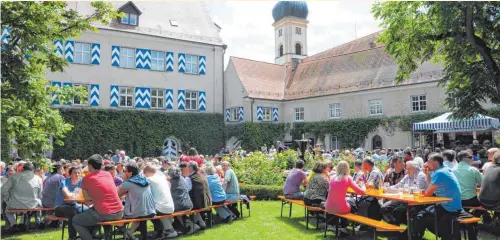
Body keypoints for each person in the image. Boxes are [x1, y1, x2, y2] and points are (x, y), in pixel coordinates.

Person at [411, 153, 470, 240]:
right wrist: (427, 174)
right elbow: (431, 188)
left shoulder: (439, 173)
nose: (426, 164)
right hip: (454, 205)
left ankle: (414, 237)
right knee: (422, 214)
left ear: (435, 163)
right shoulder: (445, 170)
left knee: (420, 216)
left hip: (448, 207)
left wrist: (420, 193)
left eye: (428, 161)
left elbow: (428, 193)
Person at [73, 154, 123, 240]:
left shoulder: (87, 178)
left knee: (76, 220)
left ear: (90, 166)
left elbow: (87, 201)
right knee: (94, 214)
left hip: (104, 213)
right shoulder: (108, 175)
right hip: (119, 211)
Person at [381, 161, 427, 225]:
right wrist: (388, 188)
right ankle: (394, 227)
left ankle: (409, 229)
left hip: (415, 201)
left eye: (408, 168)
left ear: (415, 168)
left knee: (397, 211)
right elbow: (399, 185)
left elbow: (417, 190)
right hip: (404, 199)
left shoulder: (421, 176)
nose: (406, 170)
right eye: (406, 168)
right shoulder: (408, 175)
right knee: (384, 207)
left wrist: (401, 190)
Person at [325, 161, 365, 234]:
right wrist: (364, 187)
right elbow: (360, 192)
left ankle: (335, 224)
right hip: (341, 208)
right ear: (347, 169)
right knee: (351, 203)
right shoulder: (348, 178)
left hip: (328, 206)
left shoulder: (332, 178)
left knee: (346, 201)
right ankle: (345, 226)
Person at [1, 162, 43, 233]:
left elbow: (3, 189)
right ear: (33, 170)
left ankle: (14, 224)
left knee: (7, 210)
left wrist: (7, 199)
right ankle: (22, 223)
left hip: (15, 204)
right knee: (30, 208)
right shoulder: (38, 179)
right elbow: (40, 195)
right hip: (32, 205)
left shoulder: (14, 176)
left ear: (23, 169)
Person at [118, 162, 156, 239]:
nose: (123, 172)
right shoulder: (145, 179)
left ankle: (129, 236)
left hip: (138, 213)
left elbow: (116, 195)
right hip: (151, 211)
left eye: (125, 171)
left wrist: (124, 180)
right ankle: (132, 235)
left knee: (118, 221)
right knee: (139, 217)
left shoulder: (127, 183)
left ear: (130, 173)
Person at [453, 151, 491, 223]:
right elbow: (483, 184)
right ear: (464, 159)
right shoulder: (473, 170)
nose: (473, 159)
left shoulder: (452, 170)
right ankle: (482, 219)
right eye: (471, 157)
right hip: (470, 200)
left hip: (457, 200)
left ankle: (472, 216)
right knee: (486, 203)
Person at [143, 164, 177, 238]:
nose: (144, 175)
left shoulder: (149, 179)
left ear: (147, 172)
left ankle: (170, 230)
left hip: (161, 207)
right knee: (158, 209)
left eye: (144, 173)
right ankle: (164, 230)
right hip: (171, 206)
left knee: (147, 212)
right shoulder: (162, 178)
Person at [54, 166, 87, 240]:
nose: (77, 174)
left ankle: (89, 235)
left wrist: (74, 195)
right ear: (70, 174)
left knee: (91, 210)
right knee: (72, 211)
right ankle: (72, 237)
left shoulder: (82, 182)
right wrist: (76, 195)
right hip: (60, 207)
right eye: (75, 173)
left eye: (79, 173)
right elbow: (68, 196)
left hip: (76, 205)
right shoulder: (64, 182)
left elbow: (87, 194)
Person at [166, 167, 195, 234]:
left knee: (171, 211)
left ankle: (182, 229)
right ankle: (190, 226)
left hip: (179, 206)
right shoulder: (182, 178)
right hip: (188, 204)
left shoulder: (170, 182)